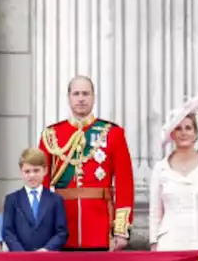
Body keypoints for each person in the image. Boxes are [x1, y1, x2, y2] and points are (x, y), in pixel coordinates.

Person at [40, 76, 134, 250]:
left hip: (101, 225)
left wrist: (121, 228)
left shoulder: (113, 133)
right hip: (62, 225)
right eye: (76, 94)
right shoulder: (52, 135)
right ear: (69, 98)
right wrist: (44, 225)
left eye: (86, 93)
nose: (81, 98)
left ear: (93, 97)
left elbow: (124, 182)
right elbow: (43, 184)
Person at [148, 97, 198, 252]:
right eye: (178, 128)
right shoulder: (160, 168)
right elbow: (155, 211)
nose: (183, 133)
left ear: (196, 133)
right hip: (169, 243)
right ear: (172, 134)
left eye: (188, 128)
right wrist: (154, 243)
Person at [2, 149, 68, 252]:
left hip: (48, 258)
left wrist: (47, 249)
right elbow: (8, 231)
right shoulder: (12, 199)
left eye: (36, 170)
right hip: (20, 259)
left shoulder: (55, 199)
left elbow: (62, 232)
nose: (32, 175)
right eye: (27, 171)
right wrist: (21, 253)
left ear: (45, 170)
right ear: (21, 173)